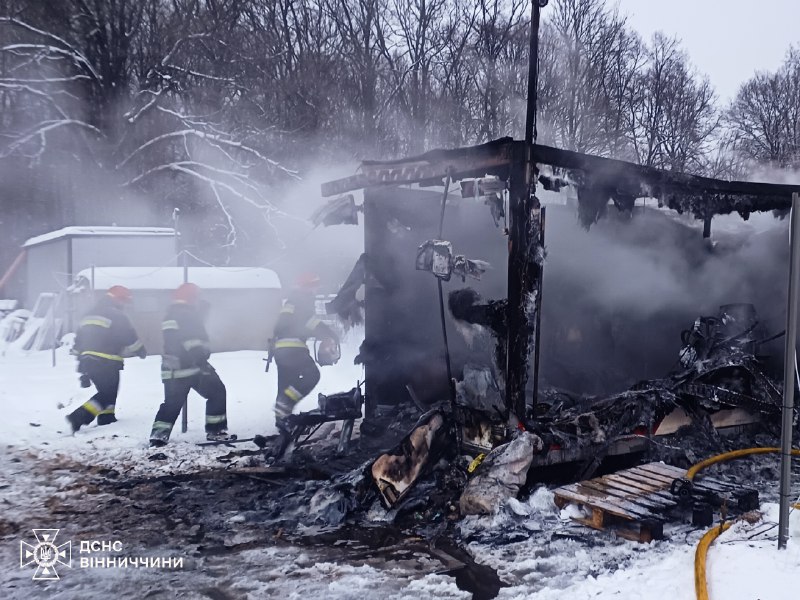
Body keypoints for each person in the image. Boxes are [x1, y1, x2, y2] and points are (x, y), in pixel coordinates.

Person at [149, 283, 231, 446]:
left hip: (171, 368)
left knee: (172, 403)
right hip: (192, 367)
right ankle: (216, 431)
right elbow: (191, 340)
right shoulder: (188, 315)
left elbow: (175, 338)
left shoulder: (171, 315)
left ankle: (158, 436)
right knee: (217, 392)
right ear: (193, 298)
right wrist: (201, 361)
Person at [67, 285, 146, 432]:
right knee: (107, 393)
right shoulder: (117, 315)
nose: (125, 305)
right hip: (107, 361)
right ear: (118, 300)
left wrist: (82, 370)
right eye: (124, 301)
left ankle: (107, 417)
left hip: (87, 361)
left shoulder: (88, 314)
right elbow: (128, 336)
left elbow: (79, 342)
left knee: (107, 390)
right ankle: (79, 416)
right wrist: (140, 350)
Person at [271, 273, 339, 428]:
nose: (315, 289)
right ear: (306, 287)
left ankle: (282, 420)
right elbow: (308, 322)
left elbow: (289, 324)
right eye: (313, 286)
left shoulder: (292, 300)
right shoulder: (301, 300)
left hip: (281, 350)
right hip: (293, 348)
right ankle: (286, 404)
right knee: (312, 375)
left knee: (285, 384)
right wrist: (328, 333)